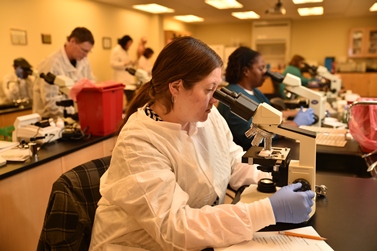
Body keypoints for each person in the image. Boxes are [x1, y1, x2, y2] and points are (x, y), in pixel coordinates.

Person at [89, 37, 315, 251]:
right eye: (209, 90)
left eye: (216, 89)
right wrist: (268, 211)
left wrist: (276, 179)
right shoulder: (139, 142)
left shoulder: (206, 115)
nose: (215, 99)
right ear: (175, 87)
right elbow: (175, 228)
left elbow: (233, 161)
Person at [217, 47, 315, 151]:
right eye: (261, 68)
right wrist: (296, 124)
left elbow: (271, 117)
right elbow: (254, 136)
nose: (265, 72)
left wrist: (295, 113)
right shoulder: (233, 98)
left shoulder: (255, 92)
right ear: (246, 71)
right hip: (247, 157)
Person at [33, 27, 95, 119]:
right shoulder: (52, 63)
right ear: (72, 41)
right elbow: (51, 103)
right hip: (50, 120)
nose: (86, 55)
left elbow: (91, 84)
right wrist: (78, 110)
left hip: (75, 116)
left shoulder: (84, 61)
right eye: (84, 50)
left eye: (89, 51)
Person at [110, 35, 136, 103]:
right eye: (129, 44)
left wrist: (131, 63)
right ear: (125, 42)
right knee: (122, 99)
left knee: (131, 98)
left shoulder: (126, 50)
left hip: (128, 78)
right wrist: (124, 63)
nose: (130, 46)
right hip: (120, 78)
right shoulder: (116, 50)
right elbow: (112, 64)